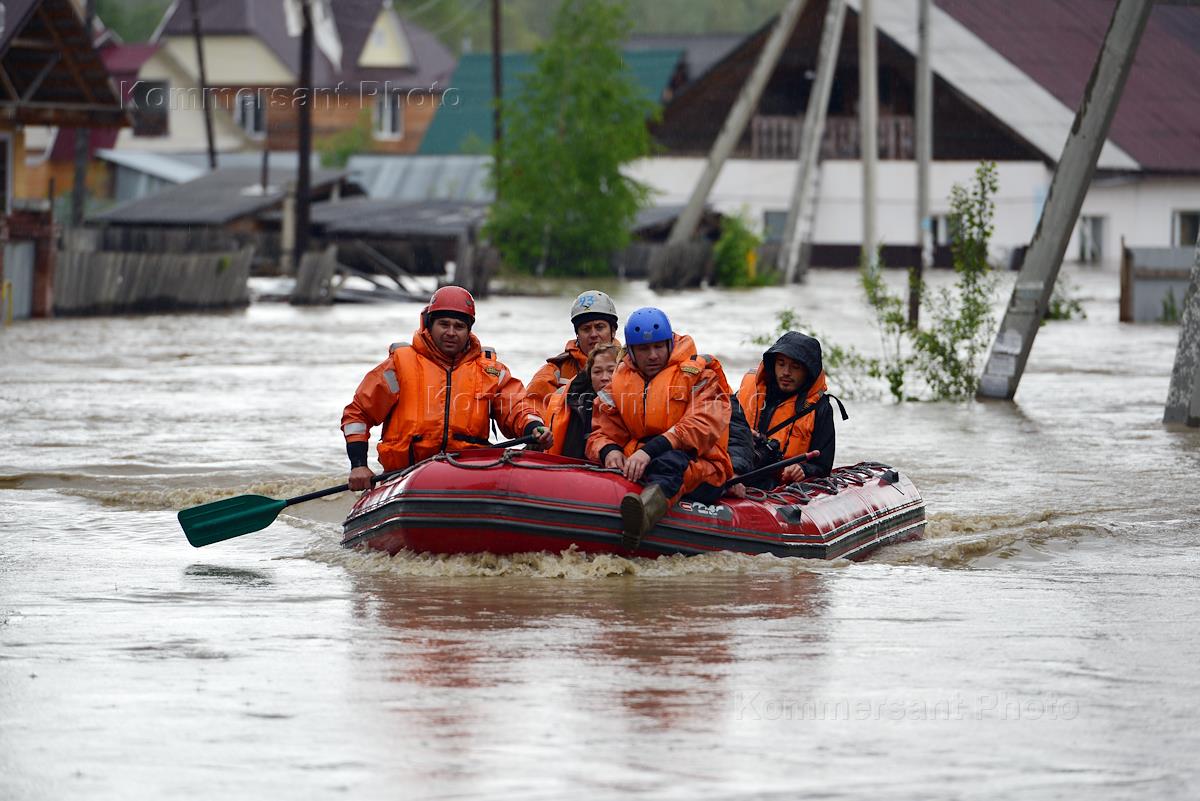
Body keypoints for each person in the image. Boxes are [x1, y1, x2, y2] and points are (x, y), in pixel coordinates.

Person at [341, 286, 553, 490]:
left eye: (459, 326)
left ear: (468, 331)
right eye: (444, 324)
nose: (451, 332)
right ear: (429, 325)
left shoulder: (491, 371)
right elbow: (358, 413)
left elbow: (517, 408)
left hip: (470, 475)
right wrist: (358, 464)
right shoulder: (399, 365)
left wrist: (533, 427)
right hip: (405, 477)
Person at [587, 307, 734, 549]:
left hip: (702, 465)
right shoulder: (619, 382)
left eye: (658, 347)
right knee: (640, 461)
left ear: (669, 344)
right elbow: (602, 430)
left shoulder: (700, 376)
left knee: (669, 462)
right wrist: (609, 450)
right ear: (632, 352)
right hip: (644, 460)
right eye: (644, 349)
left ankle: (642, 519)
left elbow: (701, 425)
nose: (653, 355)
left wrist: (650, 450)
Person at [735, 331, 845, 488]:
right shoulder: (750, 391)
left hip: (781, 486)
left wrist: (803, 469)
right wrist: (742, 435)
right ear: (773, 365)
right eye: (781, 364)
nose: (786, 372)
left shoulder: (820, 408)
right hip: (739, 473)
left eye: (795, 367)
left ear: (808, 371)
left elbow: (823, 466)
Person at [526, 290, 619, 415]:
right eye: (586, 329)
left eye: (599, 327)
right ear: (577, 334)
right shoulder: (554, 371)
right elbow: (530, 407)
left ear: (613, 331)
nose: (593, 334)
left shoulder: (629, 365)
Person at [543, 342, 620, 458]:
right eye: (597, 372)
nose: (604, 378)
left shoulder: (634, 403)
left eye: (611, 371)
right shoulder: (575, 405)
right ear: (590, 376)